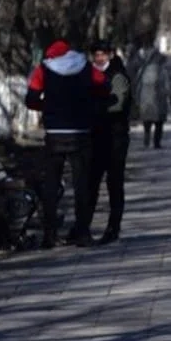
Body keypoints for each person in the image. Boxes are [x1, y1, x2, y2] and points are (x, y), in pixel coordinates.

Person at [25, 40, 108, 248]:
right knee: (82, 184)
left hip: (55, 134)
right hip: (81, 132)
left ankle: (50, 235)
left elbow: (30, 98)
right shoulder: (85, 66)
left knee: (51, 184)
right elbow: (104, 86)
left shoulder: (43, 69)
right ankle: (82, 233)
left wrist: (48, 106)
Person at [88, 40, 131, 245]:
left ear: (110, 55)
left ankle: (113, 227)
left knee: (114, 183)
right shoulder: (88, 75)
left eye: (102, 54)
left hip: (115, 137)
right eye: (96, 55)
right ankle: (83, 226)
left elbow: (118, 105)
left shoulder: (118, 76)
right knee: (90, 183)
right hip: (95, 138)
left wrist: (93, 107)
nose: (99, 59)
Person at [130, 44, 171, 148]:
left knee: (147, 121)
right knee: (159, 123)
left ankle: (146, 138)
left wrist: (136, 100)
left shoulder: (143, 70)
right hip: (159, 101)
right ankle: (156, 142)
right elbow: (168, 87)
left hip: (145, 100)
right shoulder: (162, 72)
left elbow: (138, 86)